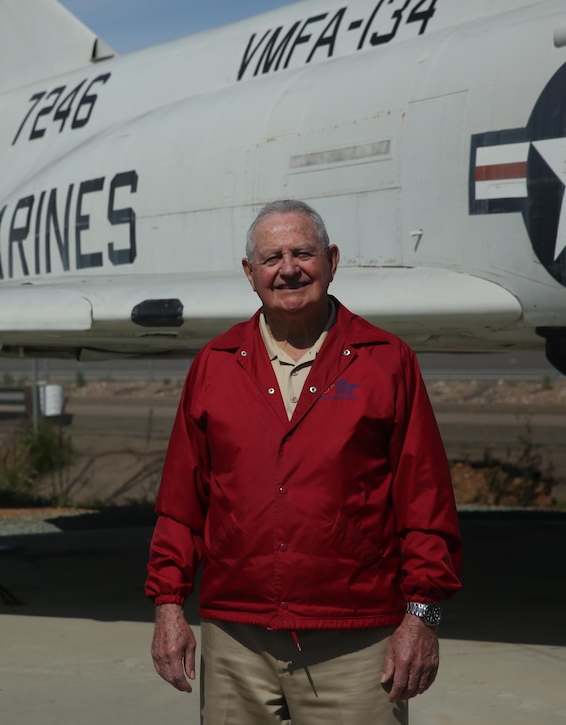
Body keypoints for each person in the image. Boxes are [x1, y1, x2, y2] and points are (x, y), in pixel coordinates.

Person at [146, 200, 462, 724]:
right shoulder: (215, 366)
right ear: (250, 274)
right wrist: (168, 606)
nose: (288, 268)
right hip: (236, 640)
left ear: (332, 260)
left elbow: (425, 504)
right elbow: (182, 504)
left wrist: (421, 617)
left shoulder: (385, 361)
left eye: (303, 253)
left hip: (356, 644)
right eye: (271, 258)